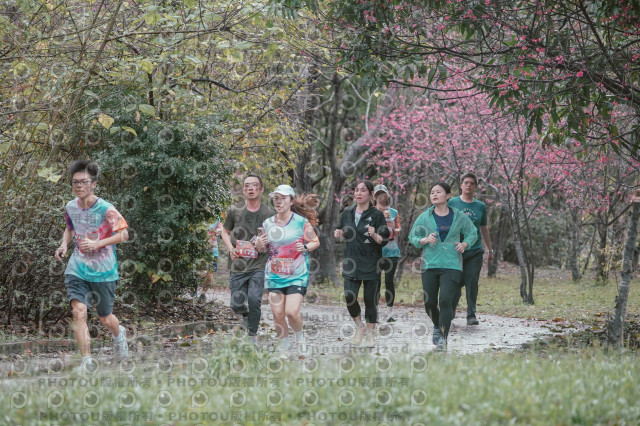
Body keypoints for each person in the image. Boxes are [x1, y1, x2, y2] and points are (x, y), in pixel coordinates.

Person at [54, 160, 130, 372]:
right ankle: (87, 361)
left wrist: (98, 244)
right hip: (77, 267)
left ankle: (118, 334)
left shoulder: (106, 209)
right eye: (75, 182)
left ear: (94, 184)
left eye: (84, 182)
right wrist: (64, 244)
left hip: (104, 271)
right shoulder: (70, 207)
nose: (79, 186)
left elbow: (124, 234)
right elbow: (70, 228)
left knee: (105, 318)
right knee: (78, 311)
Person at [409, 181, 477, 351]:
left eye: (438, 192)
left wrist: (465, 244)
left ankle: (443, 338)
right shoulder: (425, 217)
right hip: (430, 263)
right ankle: (437, 325)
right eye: (432, 192)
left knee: (446, 300)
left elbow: (472, 233)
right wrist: (424, 240)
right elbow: (413, 237)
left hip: (452, 263)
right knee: (429, 303)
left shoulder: (459, 216)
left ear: (448, 196)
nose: (434, 194)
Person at [255, 185, 320, 358]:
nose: (278, 202)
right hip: (274, 275)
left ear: (291, 201)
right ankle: (284, 347)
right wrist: (259, 244)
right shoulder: (268, 223)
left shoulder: (301, 222)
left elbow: (315, 241)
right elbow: (262, 249)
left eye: (282, 198)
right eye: (276, 198)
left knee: (291, 312)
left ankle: (300, 339)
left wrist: (305, 247)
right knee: (278, 314)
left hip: (297, 275)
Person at [334, 180, 390, 347]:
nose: (358, 193)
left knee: (370, 299)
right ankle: (360, 327)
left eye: (363, 190)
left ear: (371, 194)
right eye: (356, 190)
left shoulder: (377, 215)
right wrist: (339, 233)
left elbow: (383, 240)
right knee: (349, 296)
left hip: (371, 263)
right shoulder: (347, 212)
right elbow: (344, 231)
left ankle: (371, 334)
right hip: (351, 262)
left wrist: (374, 234)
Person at [220, 175, 275, 344]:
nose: (251, 188)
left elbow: (275, 239)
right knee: (236, 304)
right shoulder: (235, 211)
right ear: (243, 190)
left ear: (261, 189)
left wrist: (263, 244)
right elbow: (225, 232)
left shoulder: (269, 214)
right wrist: (230, 249)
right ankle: (245, 314)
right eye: (247, 185)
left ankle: (252, 335)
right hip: (238, 264)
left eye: (254, 185)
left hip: (259, 264)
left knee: (254, 300)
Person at [449, 173, 494, 325]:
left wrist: (489, 249)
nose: (469, 185)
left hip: (475, 249)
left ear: (475, 187)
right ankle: (451, 310)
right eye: (466, 182)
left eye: (472, 183)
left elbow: (484, 228)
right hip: (456, 250)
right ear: (461, 185)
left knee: (472, 281)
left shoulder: (480, 206)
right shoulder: (452, 202)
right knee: (456, 281)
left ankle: (471, 314)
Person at [373, 184, 402, 322]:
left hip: (391, 251)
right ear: (374, 197)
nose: (380, 197)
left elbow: (398, 228)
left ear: (387, 196)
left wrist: (397, 230)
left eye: (382, 194)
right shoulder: (371, 212)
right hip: (375, 251)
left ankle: (390, 313)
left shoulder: (394, 212)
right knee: (375, 282)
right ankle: (375, 312)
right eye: (378, 194)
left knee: (389, 282)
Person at [196, 219, 223, 302]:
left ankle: (203, 294)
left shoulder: (216, 218)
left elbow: (222, 230)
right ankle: (194, 285)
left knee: (210, 275)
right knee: (200, 273)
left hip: (213, 251)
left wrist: (215, 230)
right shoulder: (200, 217)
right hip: (199, 250)